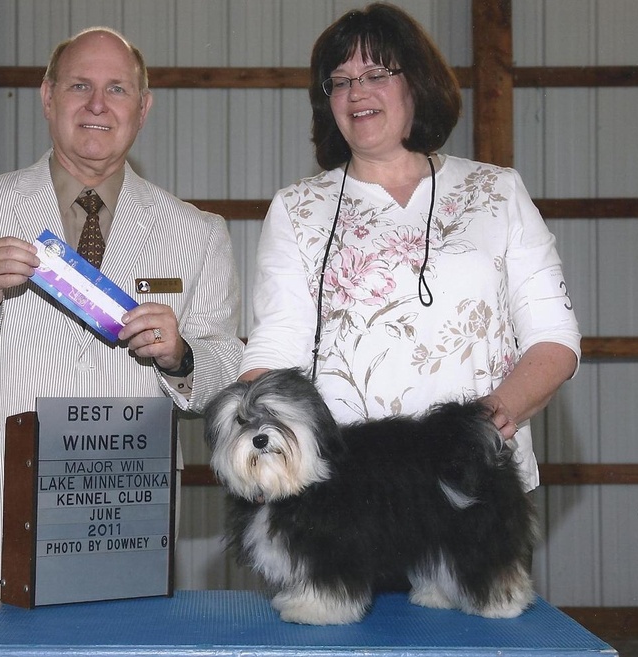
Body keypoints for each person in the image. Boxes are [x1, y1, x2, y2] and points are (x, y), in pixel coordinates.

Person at [0, 27, 243, 657]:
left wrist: (184, 356)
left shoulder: (199, 233)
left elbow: (226, 370)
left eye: (117, 89)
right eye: (80, 85)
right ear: (47, 96)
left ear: (144, 105)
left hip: (127, 537)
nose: (97, 104)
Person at [239, 3, 580, 492]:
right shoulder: (296, 207)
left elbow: (554, 336)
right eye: (339, 80)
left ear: (417, 83)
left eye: (376, 73)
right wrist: (250, 419)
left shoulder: (498, 191)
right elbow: (278, 340)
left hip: (480, 479)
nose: (356, 92)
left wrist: (486, 423)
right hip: (348, 491)